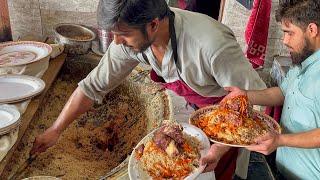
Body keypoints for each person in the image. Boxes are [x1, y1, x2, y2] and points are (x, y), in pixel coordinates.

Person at [31, 0, 266, 179]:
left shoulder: (211, 45)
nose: (117, 43)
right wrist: (56, 129)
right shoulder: (130, 38)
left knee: (216, 173)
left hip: (226, 122)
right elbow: (93, 86)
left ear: (153, 24)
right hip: (194, 111)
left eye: (123, 35)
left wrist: (221, 146)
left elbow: (255, 104)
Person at [221, 0, 320, 179]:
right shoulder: (302, 61)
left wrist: (281, 140)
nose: (285, 41)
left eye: (289, 33)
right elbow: (282, 93)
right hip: (284, 166)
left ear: (312, 30)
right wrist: (245, 96)